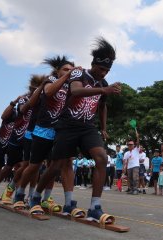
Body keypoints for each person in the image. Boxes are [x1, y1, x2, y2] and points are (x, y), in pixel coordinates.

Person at [29, 37, 121, 221]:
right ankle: (36, 195)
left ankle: (95, 206)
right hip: (67, 126)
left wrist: (103, 127)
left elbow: (103, 106)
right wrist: (104, 90)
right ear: (93, 64)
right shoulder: (79, 75)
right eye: (101, 69)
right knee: (57, 166)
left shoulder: (103, 84)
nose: (104, 73)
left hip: (87, 127)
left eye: (107, 70)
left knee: (101, 158)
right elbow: (77, 91)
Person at [13, 56, 75, 211]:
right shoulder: (50, 80)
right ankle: (19, 194)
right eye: (66, 70)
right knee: (34, 165)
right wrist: (67, 76)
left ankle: (46, 198)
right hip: (43, 130)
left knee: (55, 166)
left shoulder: (72, 85)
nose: (69, 72)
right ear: (58, 71)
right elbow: (48, 93)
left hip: (60, 131)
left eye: (71, 70)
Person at [0, 75, 45, 202]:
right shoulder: (24, 99)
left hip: (34, 135)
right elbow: (21, 109)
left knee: (34, 165)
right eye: (35, 89)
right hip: (17, 137)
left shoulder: (44, 99)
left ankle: (30, 193)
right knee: (10, 166)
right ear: (31, 88)